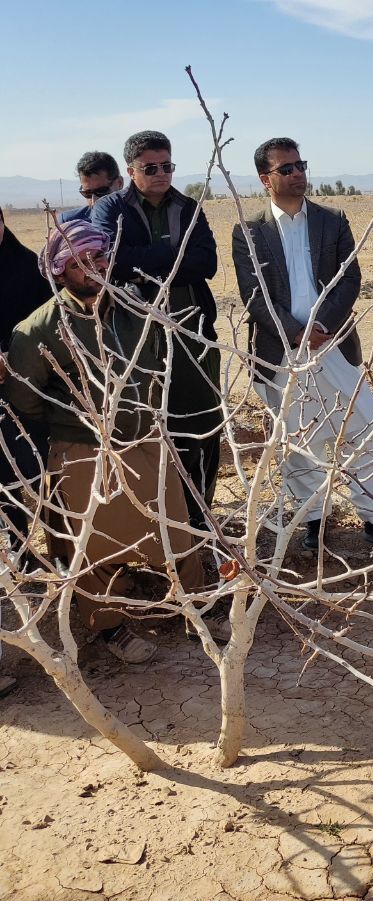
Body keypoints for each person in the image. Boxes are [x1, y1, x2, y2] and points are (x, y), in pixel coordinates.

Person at [6, 222, 213, 665]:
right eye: (83, 262)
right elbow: (27, 398)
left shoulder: (135, 309)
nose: (96, 268)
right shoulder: (37, 330)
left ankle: (194, 608)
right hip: (84, 449)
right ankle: (110, 627)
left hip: (146, 438)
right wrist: (78, 425)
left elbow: (157, 364)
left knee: (176, 529)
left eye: (100, 257)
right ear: (61, 269)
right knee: (95, 544)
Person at [231, 137, 373, 553]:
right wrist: (294, 331)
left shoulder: (332, 219)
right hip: (282, 353)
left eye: (300, 165)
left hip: (334, 345)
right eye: (286, 169)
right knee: (298, 441)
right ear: (265, 179)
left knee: (366, 427)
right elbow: (254, 294)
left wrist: (322, 324)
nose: (298, 174)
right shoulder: (248, 231)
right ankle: (315, 522)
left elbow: (351, 278)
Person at [92, 130, 222, 532]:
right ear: (131, 170)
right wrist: (173, 252)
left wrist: (146, 261)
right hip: (133, 340)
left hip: (190, 335)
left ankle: (200, 515)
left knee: (201, 426)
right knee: (145, 428)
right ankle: (154, 520)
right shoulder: (110, 208)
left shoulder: (187, 206)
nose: (162, 173)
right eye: (152, 168)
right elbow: (111, 263)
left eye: (168, 166)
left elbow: (206, 263)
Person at [0, 206, 55, 695]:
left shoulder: (25, 270)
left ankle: (17, 565)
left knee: (18, 493)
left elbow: (43, 335)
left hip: (18, 406)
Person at [59, 152, 124, 224]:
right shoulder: (70, 223)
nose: (94, 201)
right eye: (87, 193)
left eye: (101, 192)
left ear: (119, 183)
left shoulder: (135, 218)